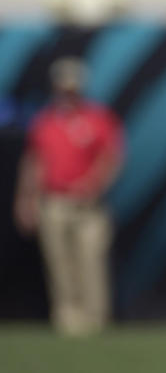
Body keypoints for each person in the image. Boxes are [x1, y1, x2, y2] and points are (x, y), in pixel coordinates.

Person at [12, 56, 125, 337]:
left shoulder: (97, 118)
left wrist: (94, 183)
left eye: (72, 87)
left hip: (89, 204)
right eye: (63, 87)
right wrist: (26, 199)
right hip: (54, 201)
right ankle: (67, 318)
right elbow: (34, 162)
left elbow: (111, 156)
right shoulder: (45, 121)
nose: (67, 92)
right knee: (60, 263)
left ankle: (95, 319)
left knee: (91, 260)